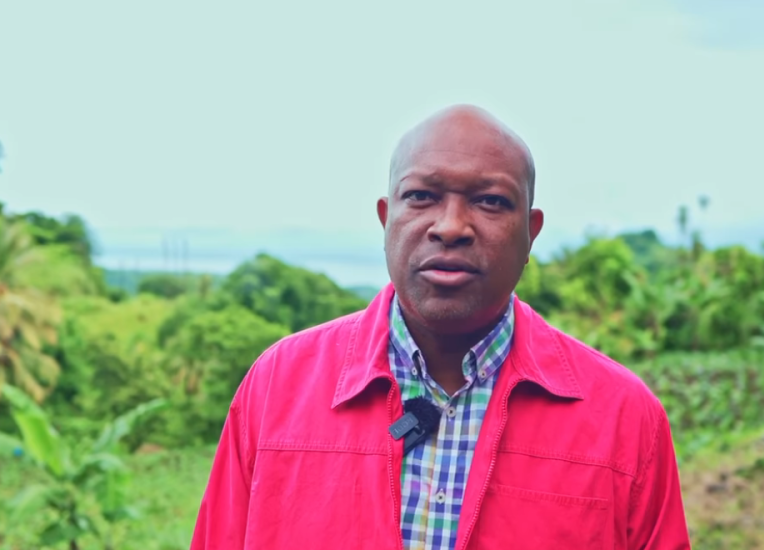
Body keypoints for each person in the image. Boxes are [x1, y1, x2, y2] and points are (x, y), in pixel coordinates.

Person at [190, 105, 691, 549]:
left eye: (490, 201)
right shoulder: (277, 388)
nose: (451, 226)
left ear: (531, 232)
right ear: (386, 218)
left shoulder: (624, 419)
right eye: (421, 195)